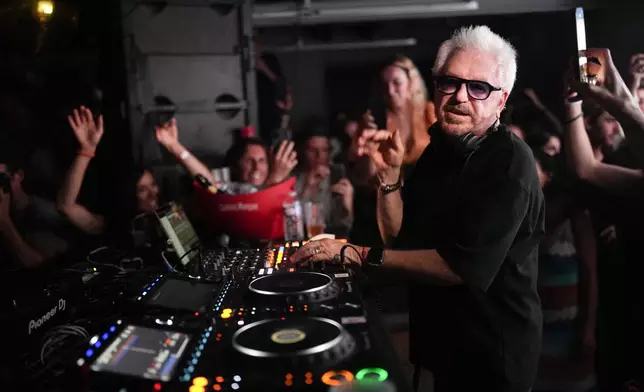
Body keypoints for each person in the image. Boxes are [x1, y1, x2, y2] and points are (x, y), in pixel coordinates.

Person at [291, 26, 544, 392]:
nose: (459, 96)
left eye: (478, 88)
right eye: (450, 82)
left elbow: (460, 267)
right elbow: (402, 240)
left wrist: (357, 253)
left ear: (501, 100)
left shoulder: (508, 162)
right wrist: (390, 175)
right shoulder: (438, 147)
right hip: (443, 343)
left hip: (492, 350)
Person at [531, 150, 598, 392]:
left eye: (532, 169)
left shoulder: (576, 220)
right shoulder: (525, 219)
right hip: (538, 333)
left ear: (549, 176)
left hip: (571, 332)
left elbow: (591, 275)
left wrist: (588, 330)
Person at [57, 106, 163, 238]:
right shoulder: (113, 225)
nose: (153, 194)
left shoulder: (172, 217)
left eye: (153, 185)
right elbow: (66, 206)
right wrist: (86, 150)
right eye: (142, 189)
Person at [0, 152, 71, 269]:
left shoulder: (44, 214)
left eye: (1, 180)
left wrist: (5, 223)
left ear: (19, 176)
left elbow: (45, 268)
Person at [295, 128, 353, 238]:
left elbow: (344, 226)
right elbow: (291, 224)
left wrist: (347, 206)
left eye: (324, 150)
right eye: (312, 150)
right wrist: (307, 189)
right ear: (303, 151)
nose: (319, 156)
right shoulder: (294, 178)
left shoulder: (337, 175)